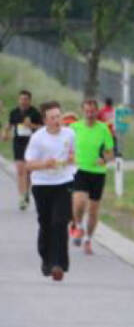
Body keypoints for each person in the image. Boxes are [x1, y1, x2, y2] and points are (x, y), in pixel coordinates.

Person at [23, 101, 76, 281]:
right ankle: (46, 259)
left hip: (64, 181)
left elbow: (74, 155)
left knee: (60, 222)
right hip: (42, 184)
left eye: (58, 116)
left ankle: (59, 264)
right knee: (46, 223)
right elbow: (29, 164)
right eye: (52, 118)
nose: (57, 120)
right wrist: (45, 164)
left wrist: (71, 159)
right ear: (45, 120)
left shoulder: (70, 134)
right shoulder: (38, 138)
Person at [70, 97, 116, 255]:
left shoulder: (103, 129)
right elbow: (64, 145)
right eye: (87, 111)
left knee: (94, 210)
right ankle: (78, 226)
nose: (90, 114)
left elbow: (111, 153)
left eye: (92, 111)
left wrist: (104, 159)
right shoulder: (74, 128)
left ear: (97, 111)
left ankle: (88, 239)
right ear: (82, 111)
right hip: (80, 169)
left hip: (98, 173)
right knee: (79, 202)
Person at [5, 89, 42, 210]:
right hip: (18, 143)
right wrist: (5, 133)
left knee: (29, 172)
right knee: (20, 171)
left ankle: (26, 192)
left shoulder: (35, 113)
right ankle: (21, 197)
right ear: (18, 100)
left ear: (30, 101)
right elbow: (9, 125)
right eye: (21, 99)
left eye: (26, 99)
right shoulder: (14, 112)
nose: (23, 101)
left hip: (31, 144)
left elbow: (42, 128)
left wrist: (31, 126)